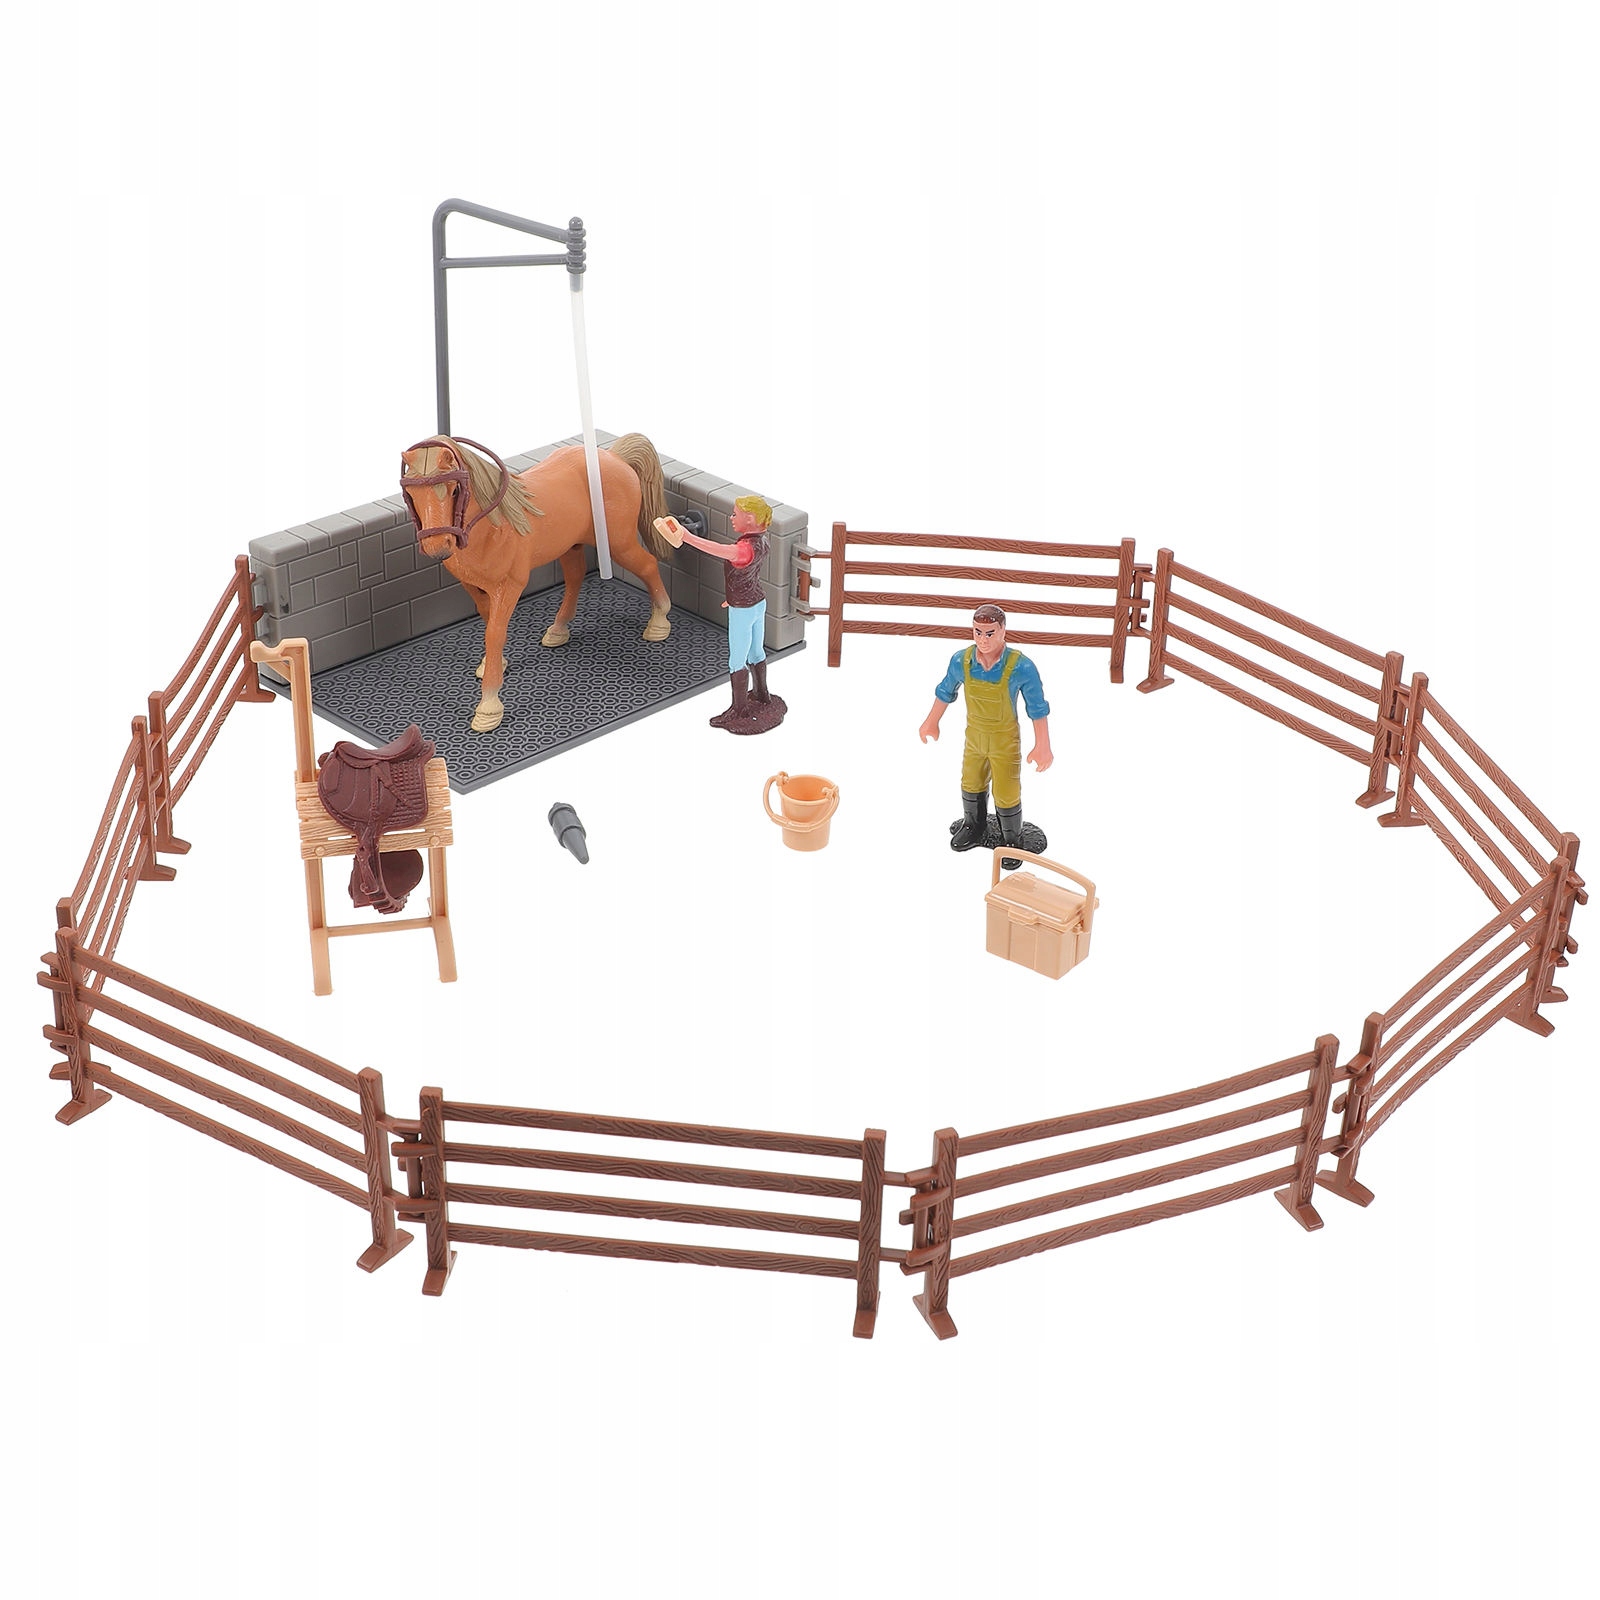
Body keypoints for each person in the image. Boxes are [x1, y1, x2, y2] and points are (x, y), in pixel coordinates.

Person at [919, 604, 1053, 853]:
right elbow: (945, 691)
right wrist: (931, 721)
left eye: (990, 633)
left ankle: (1011, 838)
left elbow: (1037, 708)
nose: (983, 639)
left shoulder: (1021, 667)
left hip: (1005, 743)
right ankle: (974, 826)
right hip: (974, 740)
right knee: (971, 782)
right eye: (977, 632)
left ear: (1003, 631)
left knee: (1006, 791)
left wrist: (1042, 745)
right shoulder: (962, 661)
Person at [669, 495, 786, 733]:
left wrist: (687, 537)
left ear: (750, 519)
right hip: (757, 601)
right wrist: (732, 596)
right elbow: (747, 575)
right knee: (756, 651)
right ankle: (762, 695)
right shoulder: (763, 541)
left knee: (737, 660)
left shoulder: (743, 548)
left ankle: (739, 710)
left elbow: (718, 550)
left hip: (743, 609)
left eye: (735, 514)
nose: (731, 518)